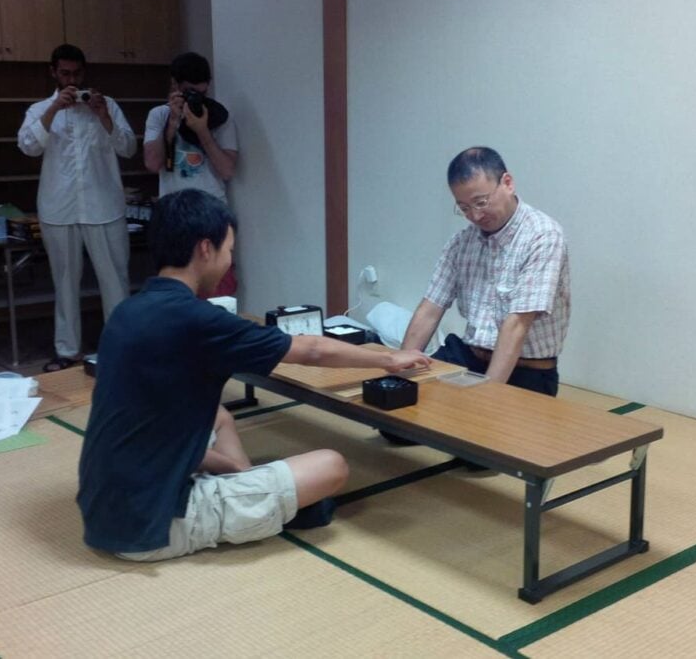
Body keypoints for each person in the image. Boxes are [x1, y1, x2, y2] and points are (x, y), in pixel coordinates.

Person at [77, 188, 430, 561]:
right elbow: (310, 350)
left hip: (102, 509)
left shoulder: (127, 311)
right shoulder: (200, 320)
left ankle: (244, 486)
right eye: (229, 250)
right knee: (332, 466)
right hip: (155, 526)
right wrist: (388, 360)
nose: (230, 260)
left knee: (219, 415)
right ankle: (249, 500)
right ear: (204, 249)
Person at [385, 147, 571, 449]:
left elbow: (516, 325)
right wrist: (400, 371)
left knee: (475, 450)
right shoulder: (462, 241)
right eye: (463, 207)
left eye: (480, 202)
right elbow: (430, 308)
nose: (474, 215)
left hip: (526, 371)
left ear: (507, 183)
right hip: (469, 358)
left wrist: (486, 402)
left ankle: (475, 428)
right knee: (394, 422)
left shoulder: (543, 235)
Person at [18, 44, 137, 372]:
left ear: (85, 73)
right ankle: (67, 351)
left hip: (104, 205)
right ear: (53, 73)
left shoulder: (107, 105)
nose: (72, 80)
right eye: (65, 74)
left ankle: (121, 348)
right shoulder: (40, 109)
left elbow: (128, 147)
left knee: (115, 278)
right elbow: (28, 146)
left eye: (77, 73)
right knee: (65, 280)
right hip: (59, 207)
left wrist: (103, 116)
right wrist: (55, 108)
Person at [143, 52, 239, 295]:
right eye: (189, 92)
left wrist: (203, 132)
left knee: (219, 290)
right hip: (174, 216)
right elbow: (153, 164)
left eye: (201, 92)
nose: (197, 98)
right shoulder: (159, 115)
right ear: (175, 85)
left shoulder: (219, 116)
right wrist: (172, 125)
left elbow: (227, 170)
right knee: (176, 291)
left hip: (212, 213)